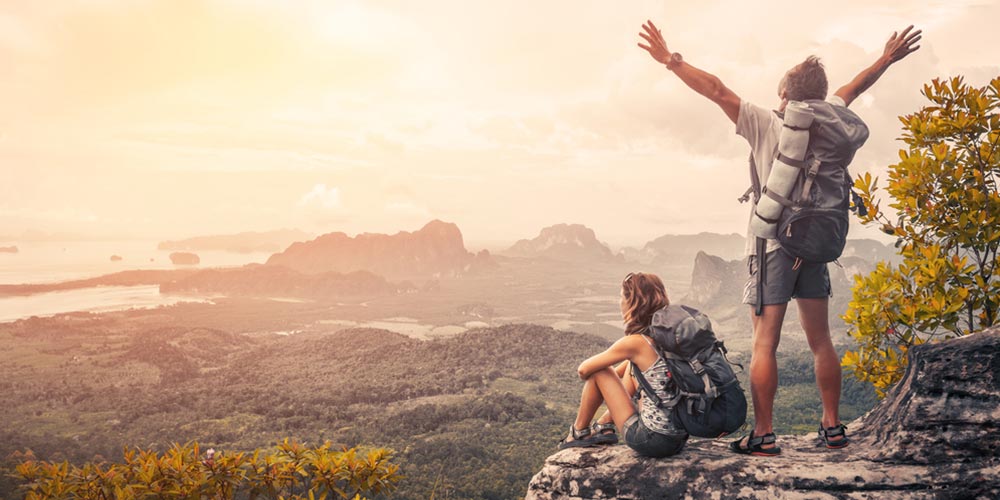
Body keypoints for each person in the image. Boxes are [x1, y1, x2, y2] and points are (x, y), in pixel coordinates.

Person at [636, 21, 921, 455]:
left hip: (774, 247)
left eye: (780, 92)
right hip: (817, 245)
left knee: (764, 341)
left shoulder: (768, 122)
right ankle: (832, 427)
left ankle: (764, 433)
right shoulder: (832, 121)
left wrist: (671, 61)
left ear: (786, 95)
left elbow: (716, 89)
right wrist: (885, 59)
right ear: (821, 96)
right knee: (821, 340)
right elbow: (853, 88)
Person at [559, 272, 687, 458]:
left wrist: (601, 377)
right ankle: (604, 426)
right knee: (629, 365)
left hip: (651, 440)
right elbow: (624, 371)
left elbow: (584, 369)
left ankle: (578, 432)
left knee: (599, 371)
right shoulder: (668, 335)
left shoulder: (635, 343)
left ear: (633, 302)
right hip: (678, 438)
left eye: (621, 297)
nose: (620, 302)